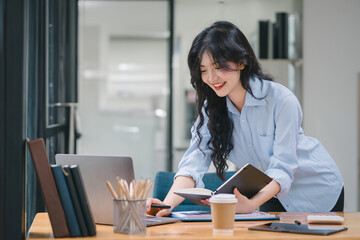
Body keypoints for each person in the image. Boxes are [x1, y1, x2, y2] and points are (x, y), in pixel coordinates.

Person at [146, 20, 344, 216]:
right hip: (270, 193)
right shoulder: (211, 110)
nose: (211, 78)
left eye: (219, 66)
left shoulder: (281, 100)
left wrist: (251, 205)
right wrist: (165, 206)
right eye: (204, 70)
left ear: (241, 61)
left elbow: (283, 168)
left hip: (317, 188)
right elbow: (193, 164)